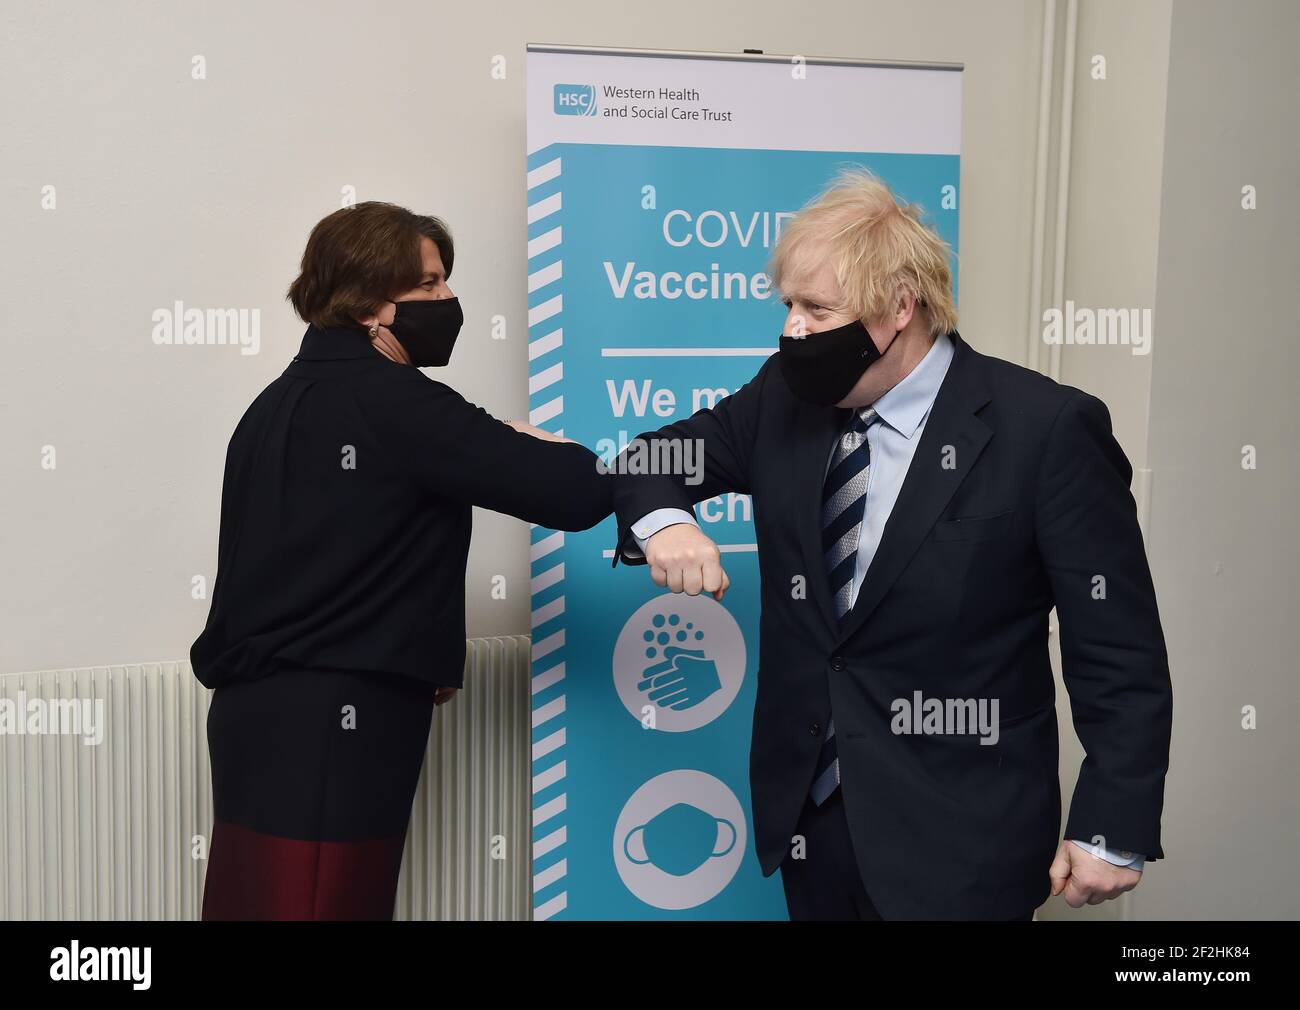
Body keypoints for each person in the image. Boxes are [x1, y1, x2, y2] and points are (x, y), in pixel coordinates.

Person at [610, 169, 1173, 920]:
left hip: (963, 836)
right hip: (811, 822)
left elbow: (1119, 647)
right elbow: (648, 463)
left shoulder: (1045, 430)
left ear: (899, 308)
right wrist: (666, 522)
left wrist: (1113, 823)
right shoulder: (783, 397)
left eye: (817, 308)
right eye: (788, 307)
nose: (793, 332)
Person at [191, 201, 609, 920]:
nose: (449, 300)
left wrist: (427, 648)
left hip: (256, 719)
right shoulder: (400, 405)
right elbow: (577, 494)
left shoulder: (272, 406)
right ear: (367, 305)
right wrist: (532, 439)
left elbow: (341, 553)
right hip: (339, 722)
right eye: (429, 284)